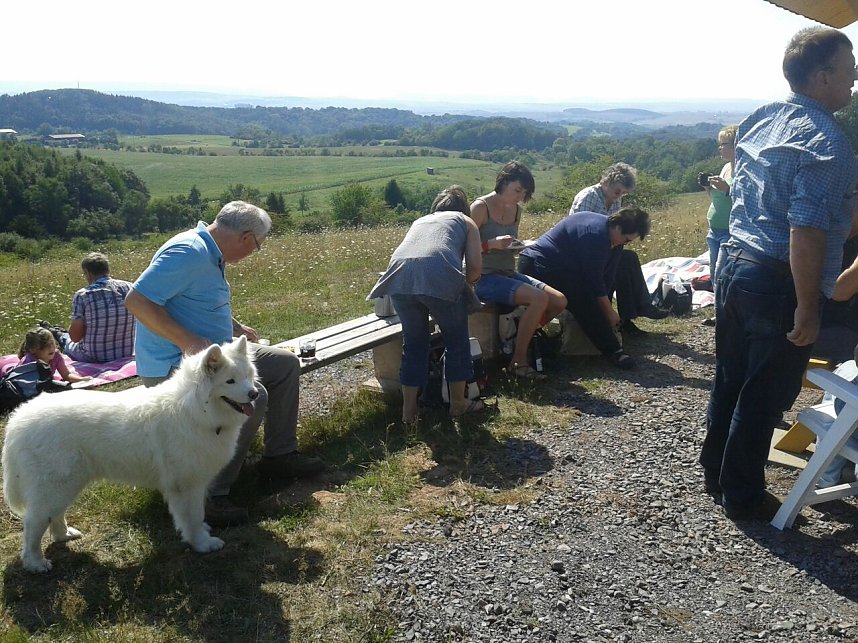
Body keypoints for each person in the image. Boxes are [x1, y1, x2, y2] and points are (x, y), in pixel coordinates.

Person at [700, 26, 858, 522]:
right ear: (822, 75)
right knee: (765, 393)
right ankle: (743, 496)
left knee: (731, 376)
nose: (855, 79)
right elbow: (805, 231)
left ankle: (715, 471)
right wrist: (810, 307)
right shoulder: (827, 141)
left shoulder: (764, 117)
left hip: (735, 265)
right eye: (849, 68)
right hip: (777, 279)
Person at [125, 200, 324, 527]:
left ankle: (279, 456)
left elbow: (197, 300)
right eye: (257, 246)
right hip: (175, 365)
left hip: (218, 357)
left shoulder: (209, 252)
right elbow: (137, 300)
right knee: (253, 397)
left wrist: (234, 327)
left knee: (285, 365)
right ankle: (210, 494)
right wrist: (187, 342)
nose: (253, 252)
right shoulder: (188, 252)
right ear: (247, 237)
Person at [368, 186, 485, 422]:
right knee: (456, 341)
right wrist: (466, 285)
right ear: (464, 208)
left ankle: (408, 412)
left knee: (414, 344)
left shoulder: (420, 221)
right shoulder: (466, 221)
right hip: (438, 276)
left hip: (399, 278)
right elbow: (474, 270)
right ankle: (458, 404)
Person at [518, 207, 652, 370]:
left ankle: (604, 341)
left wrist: (606, 307)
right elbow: (593, 281)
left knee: (591, 299)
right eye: (626, 239)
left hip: (565, 267)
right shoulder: (594, 235)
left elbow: (607, 276)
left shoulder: (614, 240)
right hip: (538, 264)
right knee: (582, 299)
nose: (625, 243)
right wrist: (608, 312)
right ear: (617, 226)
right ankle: (614, 351)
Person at [470, 161, 566, 380]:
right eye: (517, 190)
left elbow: (507, 247)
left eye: (524, 193)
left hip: (507, 272)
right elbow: (463, 249)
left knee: (559, 301)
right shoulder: (480, 207)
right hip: (482, 277)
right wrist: (491, 244)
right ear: (503, 182)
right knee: (539, 299)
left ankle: (516, 339)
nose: (519, 197)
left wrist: (516, 247)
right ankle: (518, 361)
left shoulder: (516, 211)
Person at [570, 163, 668, 336]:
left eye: (623, 193)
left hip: (604, 249)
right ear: (606, 182)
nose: (619, 197)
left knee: (627, 259)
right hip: (582, 252)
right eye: (617, 192)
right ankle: (632, 313)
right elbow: (576, 228)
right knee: (624, 262)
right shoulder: (589, 196)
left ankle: (631, 314)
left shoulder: (615, 200)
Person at [57, 252, 136, 363]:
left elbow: (75, 337)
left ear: (88, 273)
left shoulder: (83, 295)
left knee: (66, 339)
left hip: (93, 357)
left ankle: (59, 335)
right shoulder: (130, 287)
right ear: (107, 270)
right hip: (126, 352)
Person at [703, 126, 738, 284]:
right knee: (713, 271)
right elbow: (718, 198)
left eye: (723, 144)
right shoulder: (726, 168)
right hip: (714, 229)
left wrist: (728, 189)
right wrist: (708, 188)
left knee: (719, 273)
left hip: (729, 231)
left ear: (735, 145)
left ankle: (722, 307)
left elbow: (746, 200)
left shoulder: (743, 171)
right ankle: (719, 304)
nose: (720, 148)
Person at [16, 327, 89, 383]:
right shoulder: (29, 361)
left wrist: (81, 379)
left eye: (52, 343)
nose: (51, 348)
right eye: (45, 346)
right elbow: (22, 382)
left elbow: (66, 375)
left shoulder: (56, 356)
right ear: (33, 350)